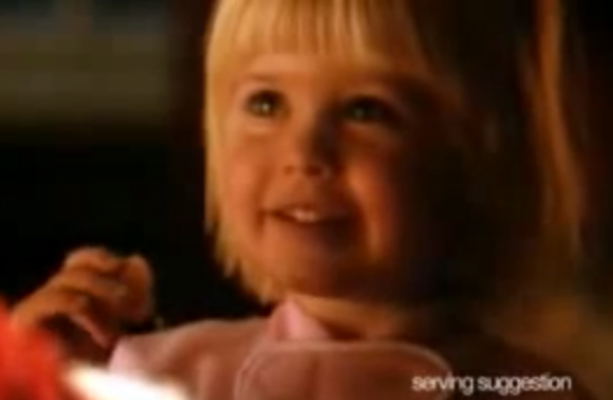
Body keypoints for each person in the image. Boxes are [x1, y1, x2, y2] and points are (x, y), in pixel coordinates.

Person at [9, 0, 597, 399]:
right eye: (266, 103)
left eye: (366, 110)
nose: (304, 151)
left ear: (479, 157)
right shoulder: (161, 377)